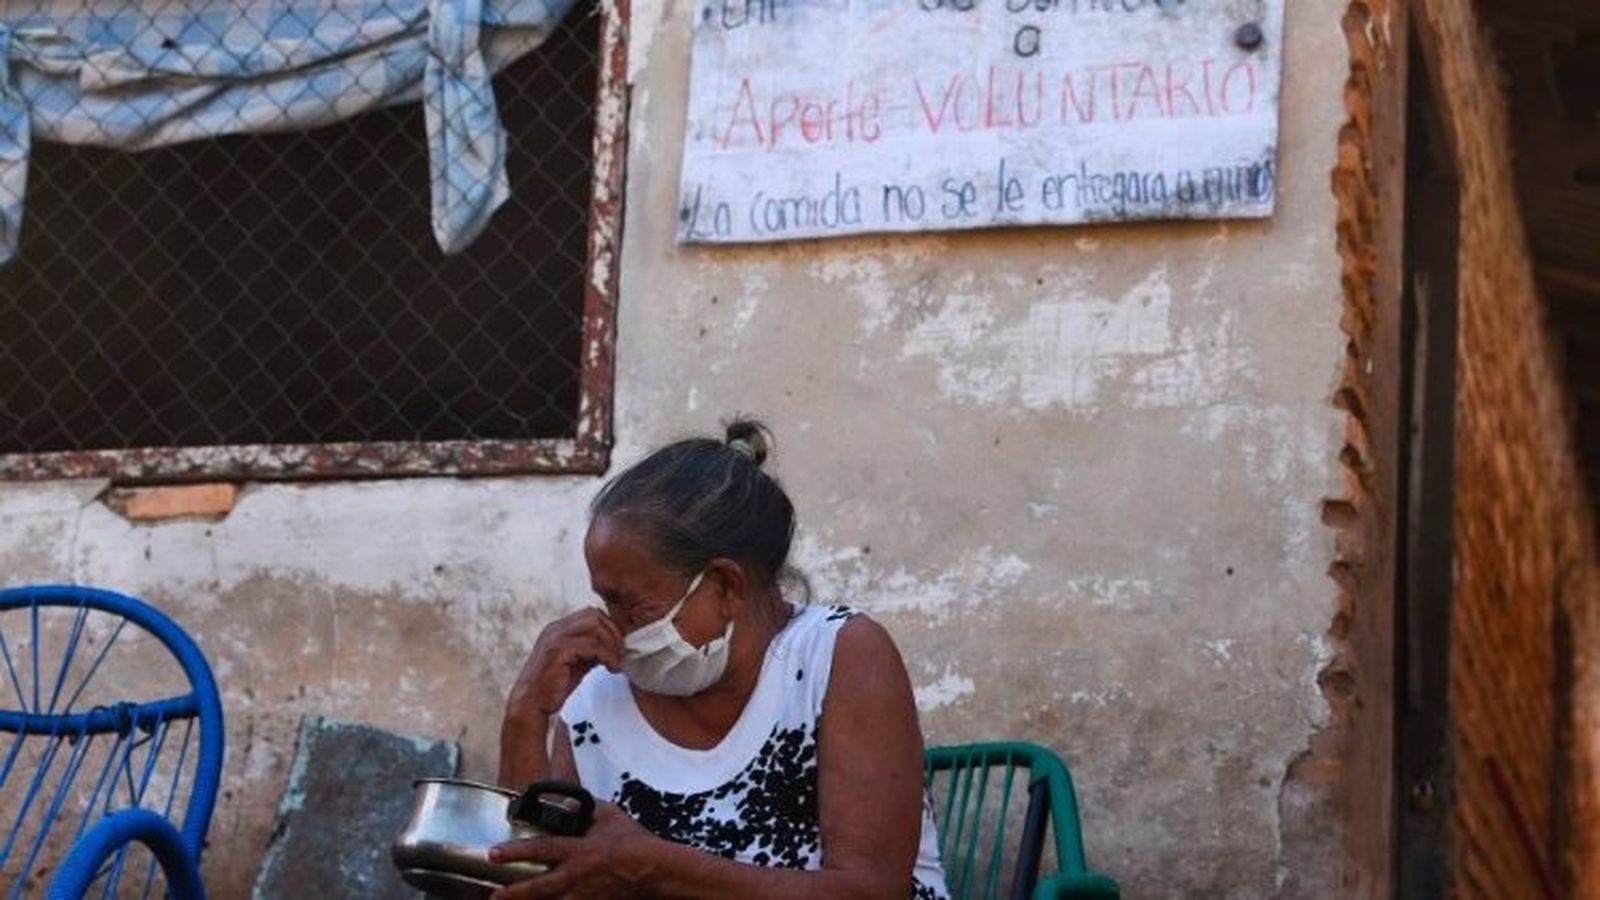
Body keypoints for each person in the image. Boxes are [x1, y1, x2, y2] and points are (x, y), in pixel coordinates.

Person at [492, 420, 949, 899]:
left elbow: (872, 892)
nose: (614, 628)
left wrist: (653, 868)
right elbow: (531, 883)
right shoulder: (594, 705)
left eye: (631, 605)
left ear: (725, 586)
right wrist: (524, 716)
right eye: (606, 604)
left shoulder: (838, 658)